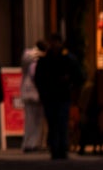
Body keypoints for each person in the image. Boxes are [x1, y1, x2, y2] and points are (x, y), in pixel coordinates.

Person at [31, 31, 82, 160]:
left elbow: (78, 75)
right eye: (52, 42)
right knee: (53, 122)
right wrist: (43, 92)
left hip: (62, 95)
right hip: (50, 95)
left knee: (61, 122)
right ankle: (55, 148)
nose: (54, 45)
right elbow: (38, 78)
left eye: (56, 42)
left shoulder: (67, 58)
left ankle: (62, 148)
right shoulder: (46, 60)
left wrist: (69, 82)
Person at [17, 40, 45, 153]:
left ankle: (28, 143)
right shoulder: (37, 59)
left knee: (30, 120)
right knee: (36, 121)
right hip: (35, 93)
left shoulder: (27, 57)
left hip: (27, 92)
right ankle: (32, 144)